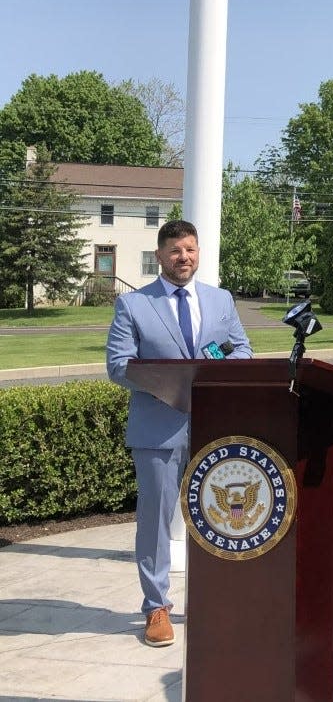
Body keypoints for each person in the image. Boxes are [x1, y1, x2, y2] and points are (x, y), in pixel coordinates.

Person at [106, 220, 252, 647]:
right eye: (174, 251)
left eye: (189, 249)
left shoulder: (221, 300)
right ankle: (156, 606)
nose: (183, 257)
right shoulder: (133, 305)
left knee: (219, 516)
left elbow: (242, 349)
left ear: (198, 251)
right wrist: (170, 382)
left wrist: (217, 366)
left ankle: (216, 598)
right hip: (157, 430)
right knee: (155, 522)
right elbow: (118, 366)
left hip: (214, 428)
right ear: (160, 255)